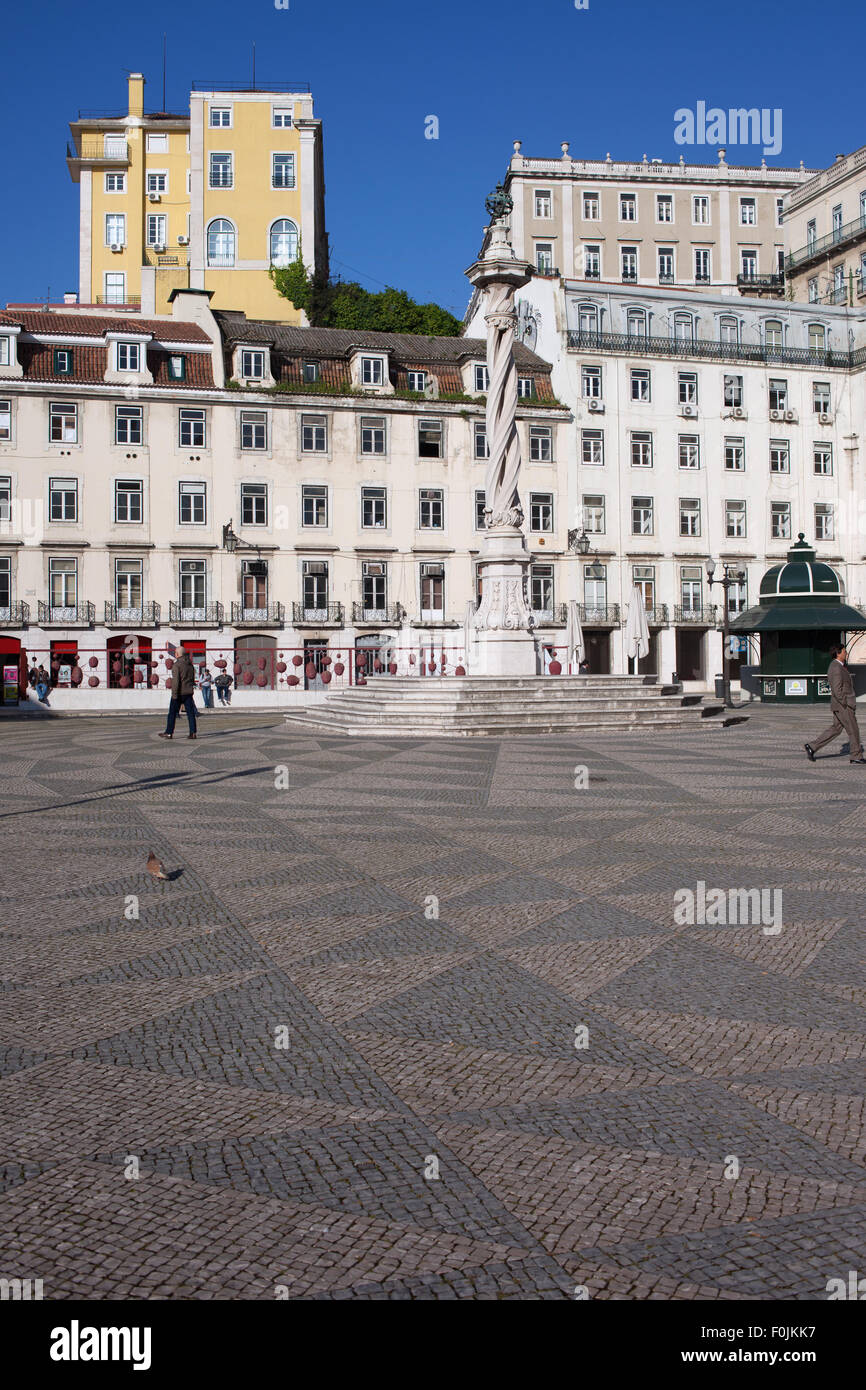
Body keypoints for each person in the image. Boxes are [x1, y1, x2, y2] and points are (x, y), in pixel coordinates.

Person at [805, 643, 866, 765]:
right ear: (838, 653)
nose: (846, 653)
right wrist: (846, 703)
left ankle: (812, 746)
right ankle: (856, 756)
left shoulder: (839, 666)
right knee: (853, 730)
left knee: (836, 729)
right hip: (843, 705)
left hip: (840, 704)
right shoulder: (836, 667)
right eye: (844, 651)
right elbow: (837, 689)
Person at [159, 645, 198, 740]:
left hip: (179, 692)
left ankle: (169, 732)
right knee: (190, 713)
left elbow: (176, 681)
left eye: (175, 653)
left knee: (172, 713)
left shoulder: (176, 665)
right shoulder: (190, 665)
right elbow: (192, 678)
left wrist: (174, 695)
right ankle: (193, 733)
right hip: (188, 692)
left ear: (177, 654)